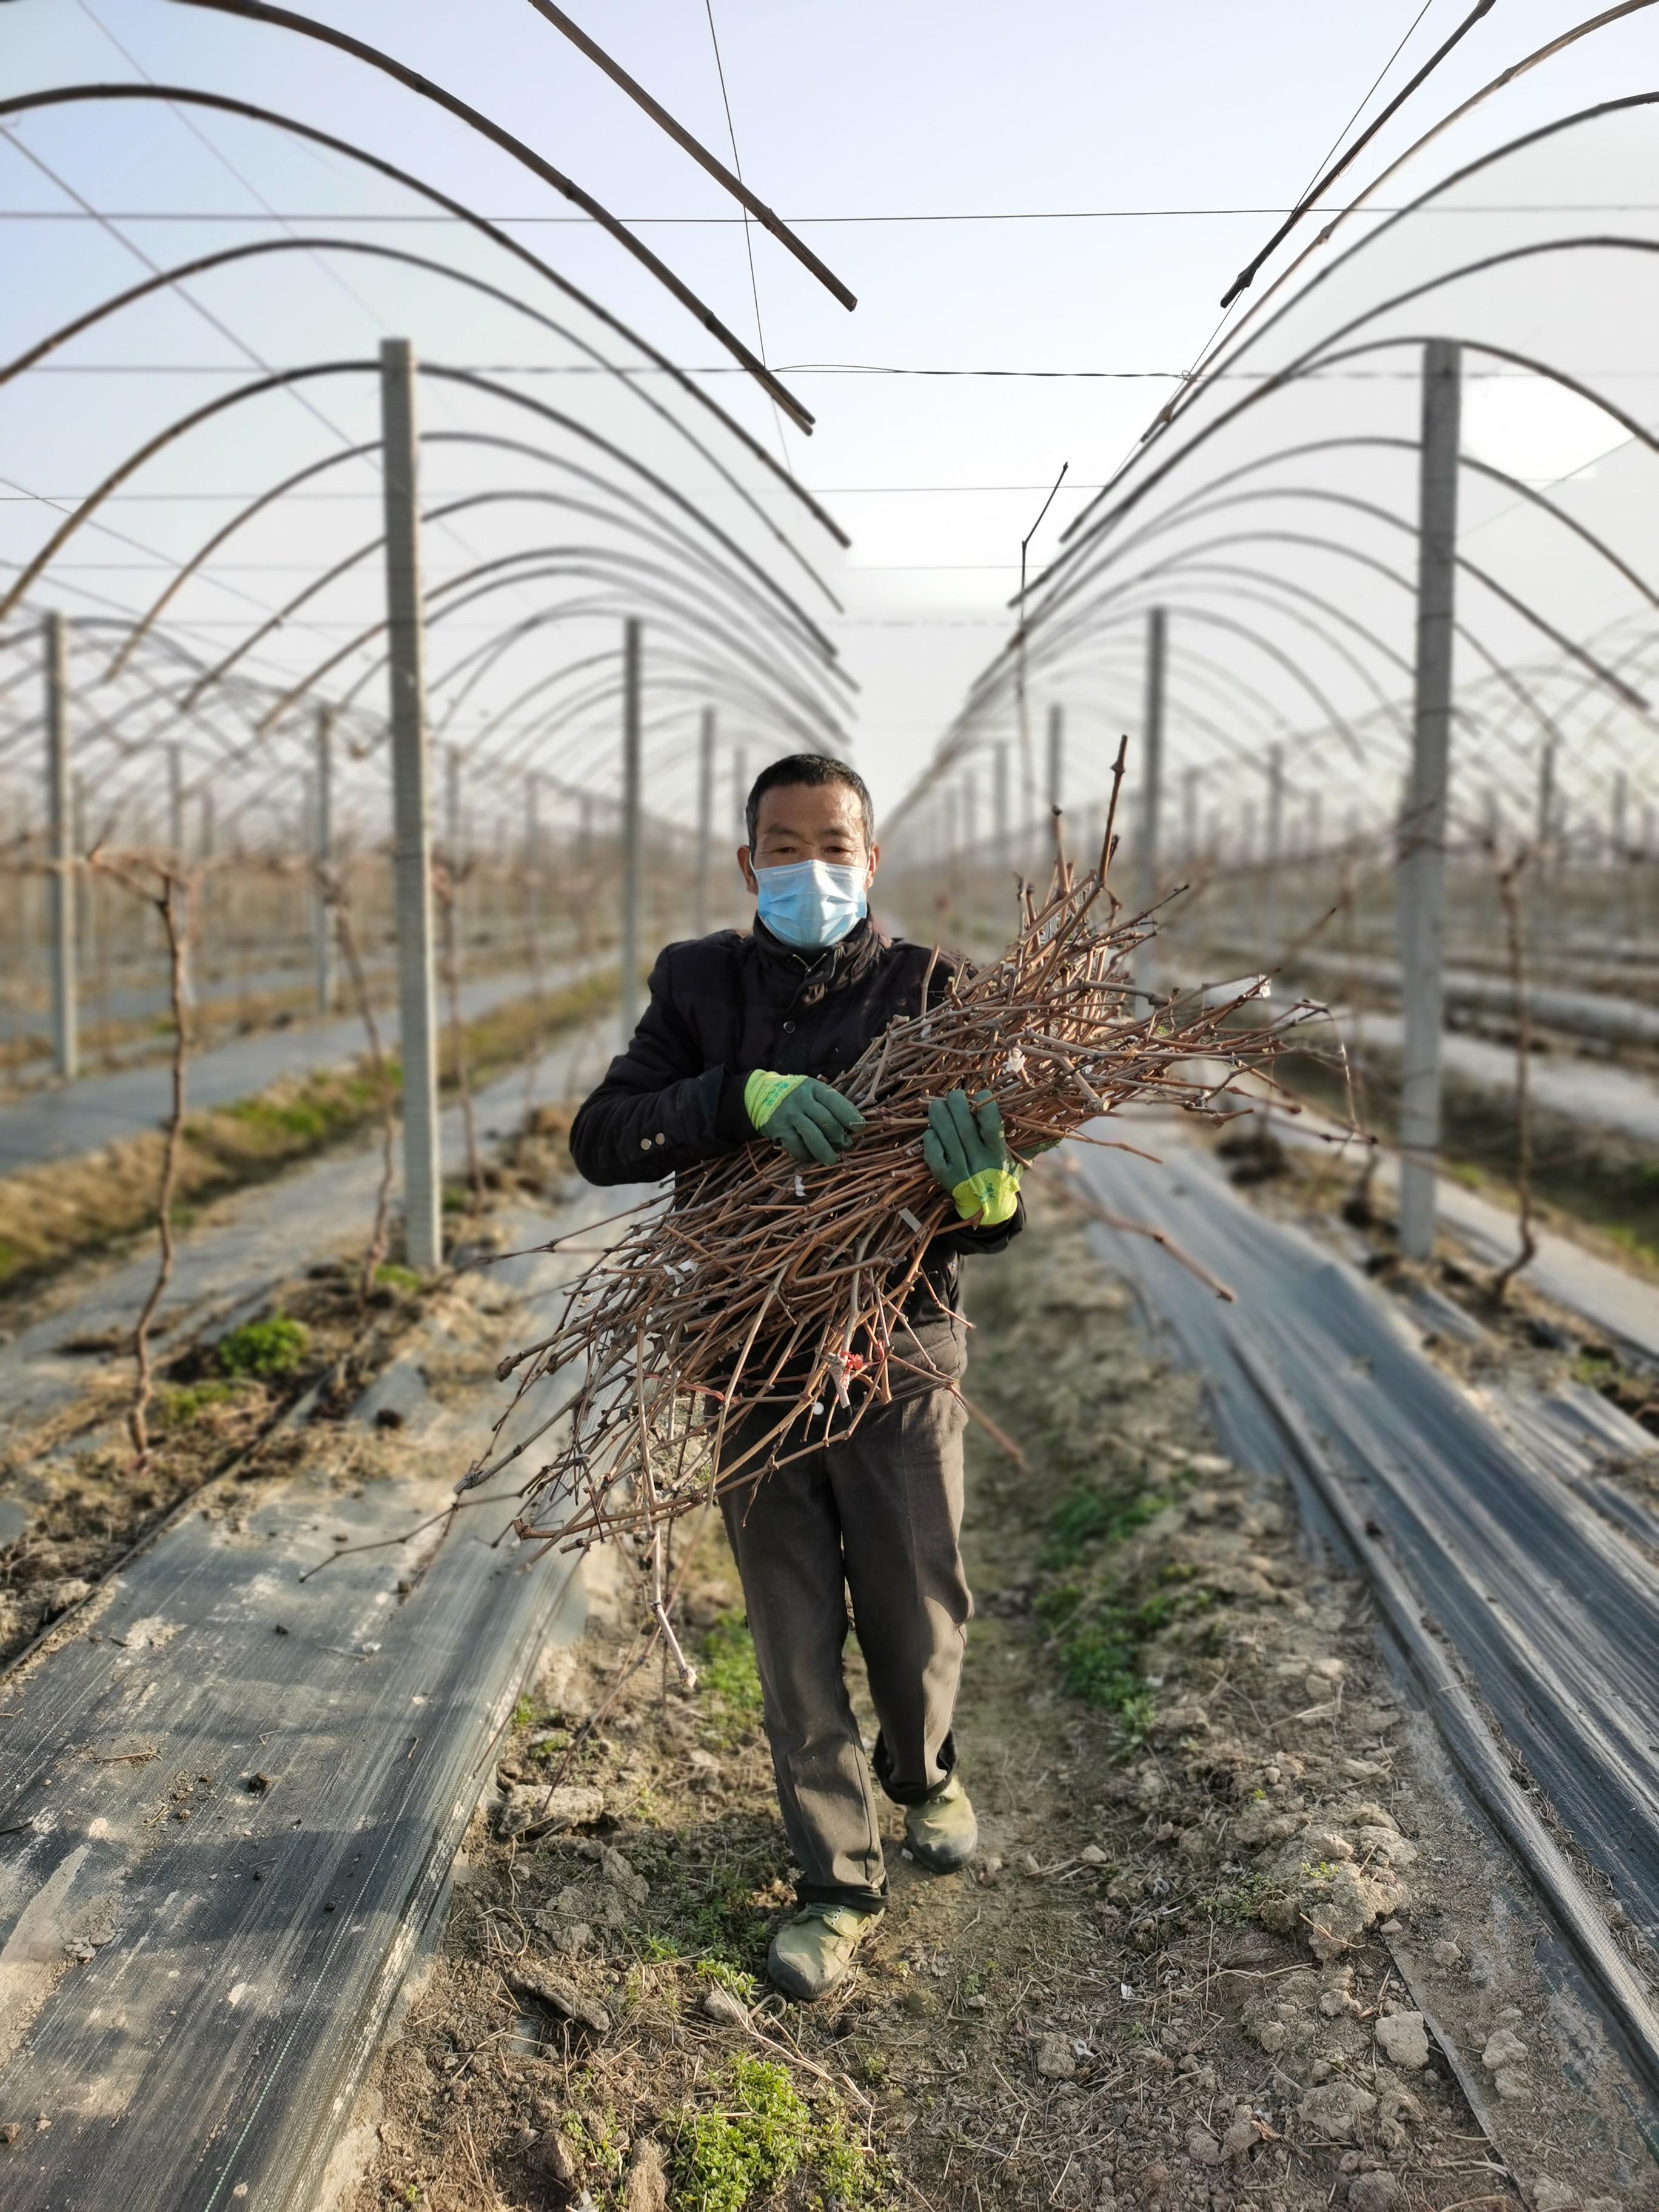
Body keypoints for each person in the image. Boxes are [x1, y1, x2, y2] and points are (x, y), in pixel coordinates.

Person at [569, 753, 1027, 2000]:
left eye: (835, 847)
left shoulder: (933, 991)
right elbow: (603, 1137)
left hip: (899, 1355)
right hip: (755, 1363)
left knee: (916, 1613)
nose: (810, 868)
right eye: (785, 847)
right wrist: (738, 1097)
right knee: (791, 1638)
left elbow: (988, 1184)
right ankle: (837, 1881)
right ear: (747, 862)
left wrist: (991, 1201)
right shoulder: (698, 984)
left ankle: (923, 1771)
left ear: (871, 861)